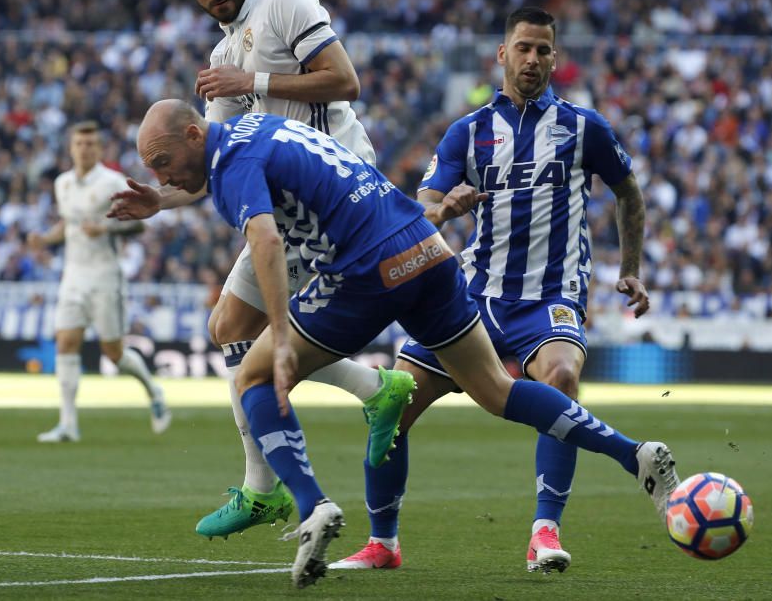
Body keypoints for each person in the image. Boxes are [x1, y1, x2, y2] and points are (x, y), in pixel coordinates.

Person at [126, 98, 679, 589]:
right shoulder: (256, 129)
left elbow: (266, 239)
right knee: (496, 391)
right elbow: (244, 180)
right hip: (427, 245)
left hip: (368, 268)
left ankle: (312, 505)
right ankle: (636, 455)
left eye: (162, 162)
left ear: (195, 135)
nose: (160, 174)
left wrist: (280, 328)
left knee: (252, 372)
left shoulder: (232, 167)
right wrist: (161, 197)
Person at [109, 0, 415, 538]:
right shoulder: (221, 61)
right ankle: (369, 394)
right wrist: (161, 201)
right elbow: (208, 165)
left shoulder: (286, 5)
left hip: (337, 200)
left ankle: (271, 485)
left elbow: (345, 81)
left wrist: (258, 84)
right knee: (226, 328)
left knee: (246, 336)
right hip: (287, 210)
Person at [331, 7, 652, 574]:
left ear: (556, 58)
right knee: (393, 406)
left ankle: (544, 533)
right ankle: (384, 543)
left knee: (563, 375)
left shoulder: (585, 128)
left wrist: (631, 267)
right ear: (502, 54)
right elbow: (421, 206)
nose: (533, 59)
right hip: (473, 296)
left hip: (550, 294)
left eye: (544, 50)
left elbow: (629, 193)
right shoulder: (469, 131)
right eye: (523, 48)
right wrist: (445, 208)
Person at [28, 121, 171, 442]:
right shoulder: (63, 183)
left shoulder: (113, 183)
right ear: (71, 148)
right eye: (79, 144)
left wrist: (106, 229)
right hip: (72, 275)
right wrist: (46, 239)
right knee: (65, 342)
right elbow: (69, 224)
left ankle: (154, 390)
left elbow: (139, 226)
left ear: (100, 149)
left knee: (114, 354)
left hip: (106, 275)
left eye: (91, 144)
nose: (84, 149)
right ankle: (68, 424)